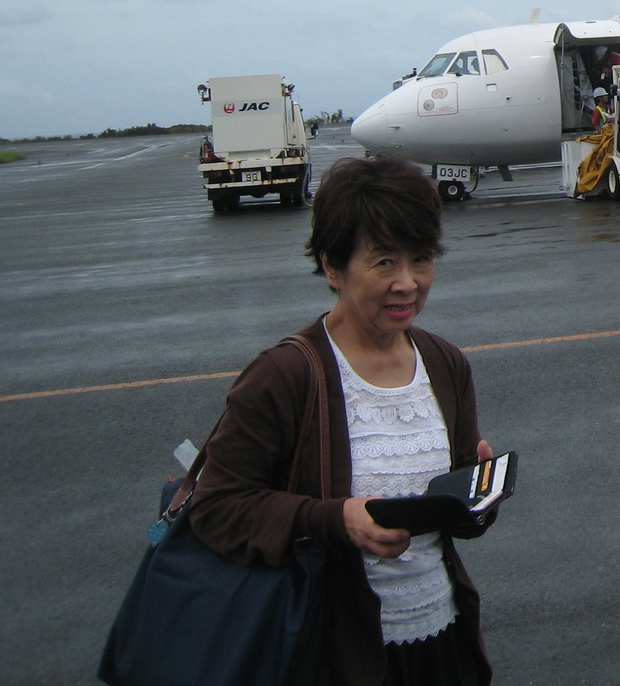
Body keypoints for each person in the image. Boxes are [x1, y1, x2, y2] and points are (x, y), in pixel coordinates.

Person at [188, 156, 493, 685]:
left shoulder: (445, 364)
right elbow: (215, 508)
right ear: (332, 267)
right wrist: (336, 519)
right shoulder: (284, 376)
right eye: (383, 263)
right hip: (331, 654)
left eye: (421, 259)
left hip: (441, 639)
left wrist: (476, 498)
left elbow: (455, 518)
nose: (407, 283)